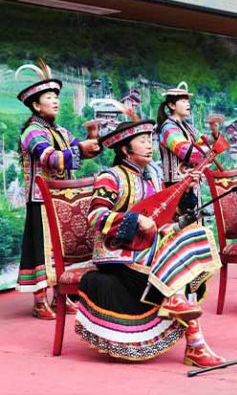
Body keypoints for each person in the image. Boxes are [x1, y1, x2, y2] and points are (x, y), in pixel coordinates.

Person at [75, 119, 225, 366]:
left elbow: (166, 214)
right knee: (177, 261)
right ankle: (194, 343)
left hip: (150, 249)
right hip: (119, 254)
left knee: (195, 236)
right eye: (142, 141)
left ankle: (187, 327)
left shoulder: (153, 175)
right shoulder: (111, 177)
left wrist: (186, 190)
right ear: (125, 149)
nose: (149, 146)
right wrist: (135, 221)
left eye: (150, 140)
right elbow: (95, 216)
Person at [15, 60, 100, 319]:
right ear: (35, 105)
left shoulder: (62, 131)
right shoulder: (31, 132)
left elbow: (79, 151)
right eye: (48, 97)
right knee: (41, 250)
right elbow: (50, 158)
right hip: (41, 200)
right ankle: (40, 301)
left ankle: (61, 297)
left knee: (62, 251)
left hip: (63, 200)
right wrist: (79, 148)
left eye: (55, 97)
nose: (55, 101)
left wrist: (94, 142)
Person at [156, 81, 222, 211]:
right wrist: (212, 151)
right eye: (183, 101)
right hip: (176, 185)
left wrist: (214, 131)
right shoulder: (168, 128)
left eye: (188, 101)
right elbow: (186, 152)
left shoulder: (187, 127)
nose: (188, 104)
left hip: (191, 181)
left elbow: (204, 142)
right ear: (171, 105)